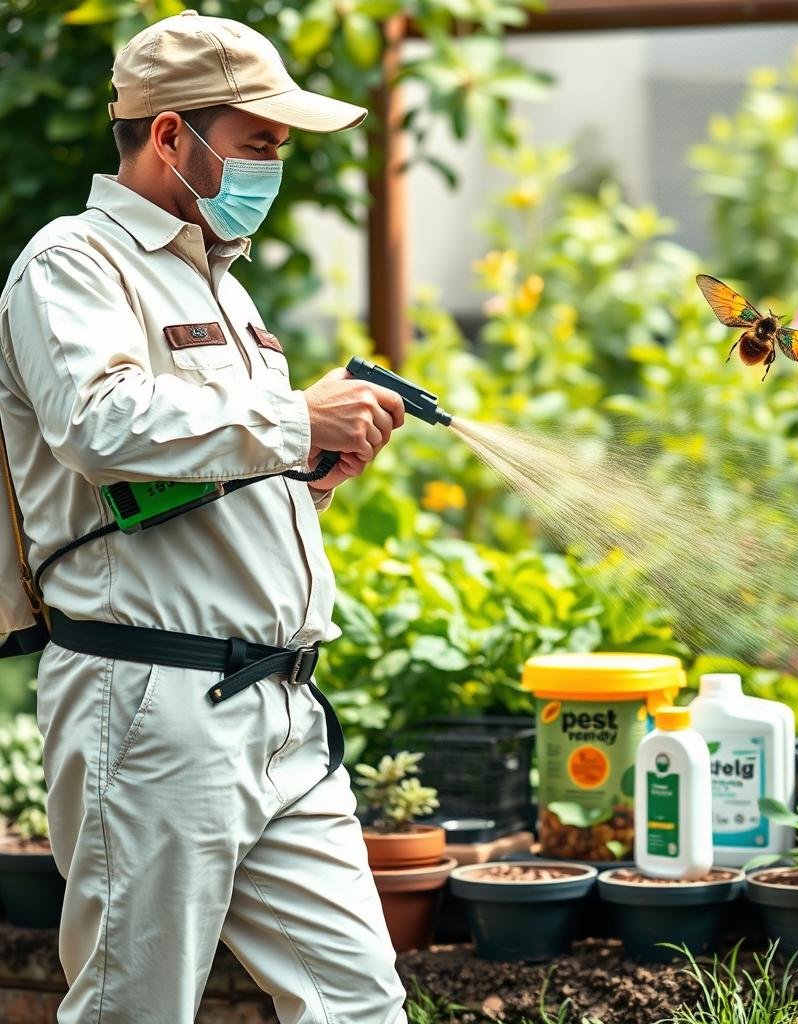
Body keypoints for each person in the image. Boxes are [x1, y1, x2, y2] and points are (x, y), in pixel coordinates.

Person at [0, 9, 410, 1023]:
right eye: (258, 141)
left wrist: (306, 471)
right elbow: (101, 424)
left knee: (361, 1004)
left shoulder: (219, 281)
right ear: (172, 135)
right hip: (151, 703)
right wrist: (292, 412)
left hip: (279, 712)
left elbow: (185, 475)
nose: (273, 165)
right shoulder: (74, 263)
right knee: (135, 1008)